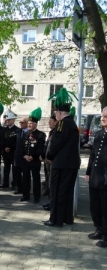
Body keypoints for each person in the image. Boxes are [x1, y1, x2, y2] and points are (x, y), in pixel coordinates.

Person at [44, 88, 80, 227]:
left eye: (56, 113)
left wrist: (49, 156)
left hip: (60, 164)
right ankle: (66, 217)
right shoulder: (72, 123)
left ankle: (55, 219)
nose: (55, 116)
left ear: (59, 112)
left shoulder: (62, 124)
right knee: (67, 191)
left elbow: (56, 143)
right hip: (72, 164)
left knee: (57, 191)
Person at [85, 107, 107, 248]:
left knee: (105, 208)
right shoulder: (99, 134)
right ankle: (99, 229)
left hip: (105, 177)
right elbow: (93, 155)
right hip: (95, 175)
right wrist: (88, 172)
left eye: (105, 116)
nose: (103, 118)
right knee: (95, 205)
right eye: (102, 116)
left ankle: (106, 235)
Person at [19, 108, 46, 203]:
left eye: (31, 123)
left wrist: (33, 156)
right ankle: (25, 195)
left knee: (35, 178)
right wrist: (24, 156)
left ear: (36, 124)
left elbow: (41, 148)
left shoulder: (40, 135)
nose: (29, 125)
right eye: (29, 123)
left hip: (34, 161)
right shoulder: (25, 134)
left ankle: (36, 196)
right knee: (25, 178)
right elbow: (21, 146)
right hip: (25, 160)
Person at [40, 114, 57, 211]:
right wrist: (42, 155)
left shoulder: (56, 133)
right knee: (48, 182)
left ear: (56, 122)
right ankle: (50, 201)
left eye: (51, 121)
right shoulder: (51, 132)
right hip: (47, 161)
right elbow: (46, 146)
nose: (49, 123)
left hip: (51, 161)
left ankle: (52, 203)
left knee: (52, 183)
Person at [0, 112, 20, 189]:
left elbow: (17, 142)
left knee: (14, 168)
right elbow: (2, 140)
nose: (7, 121)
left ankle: (14, 183)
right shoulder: (4, 130)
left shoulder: (17, 130)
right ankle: (5, 182)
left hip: (13, 152)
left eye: (9, 120)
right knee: (6, 168)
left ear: (13, 120)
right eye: (6, 120)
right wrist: (5, 147)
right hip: (5, 152)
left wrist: (10, 148)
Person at [13, 117, 29, 194]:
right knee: (17, 173)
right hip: (17, 155)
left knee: (25, 174)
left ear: (27, 123)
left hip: (25, 156)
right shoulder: (18, 131)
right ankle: (18, 188)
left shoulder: (29, 132)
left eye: (22, 123)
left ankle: (25, 189)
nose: (21, 124)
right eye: (20, 123)